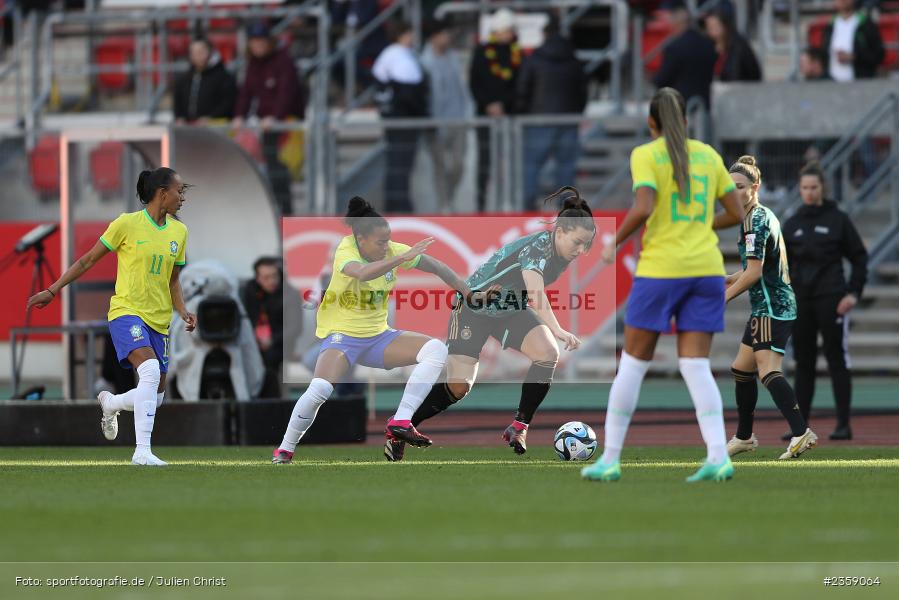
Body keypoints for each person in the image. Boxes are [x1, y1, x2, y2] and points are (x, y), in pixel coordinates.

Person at [580, 87, 743, 483]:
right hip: (706, 268)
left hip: (662, 270)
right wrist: (700, 225)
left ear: (651, 122)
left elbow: (644, 206)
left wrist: (615, 243)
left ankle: (610, 459)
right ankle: (718, 455)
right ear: (685, 121)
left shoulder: (647, 154)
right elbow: (737, 213)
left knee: (633, 364)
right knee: (696, 366)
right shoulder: (708, 154)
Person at [272, 197, 492, 464]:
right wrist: (400, 258)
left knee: (435, 350)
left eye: (388, 240)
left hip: (379, 338)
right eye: (380, 242)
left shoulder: (392, 251)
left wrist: (469, 294)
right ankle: (285, 450)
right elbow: (363, 273)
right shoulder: (346, 249)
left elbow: (437, 267)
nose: (386, 246)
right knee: (320, 390)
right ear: (361, 239)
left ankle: (400, 421)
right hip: (343, 338)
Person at [386, 187, 596, 462]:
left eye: (586, 245)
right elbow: (535, 292)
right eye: (578, 242)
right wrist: (557, 329)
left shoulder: (562, 254)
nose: (581, 250)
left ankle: (519, 426)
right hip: (473, 308)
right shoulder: (539, 247)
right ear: (560, 231)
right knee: (459, 387)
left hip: (509, 309)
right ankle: (400, 426)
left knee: (547, 354)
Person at [26, 168, 196, 466]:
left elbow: (173, 280)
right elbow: (87, 260)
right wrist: (52, 290)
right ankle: (142, 452)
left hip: (159, 321)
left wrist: (182, 310)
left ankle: (111, 403)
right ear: (162, 193)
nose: (182, 197)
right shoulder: (126, 224)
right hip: (126, 313)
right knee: (149, 371)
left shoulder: (179, 232)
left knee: (155, 398)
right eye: (179, 191)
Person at [717, 156, 818, 460]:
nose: (734, 193)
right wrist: (729, 278)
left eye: (740, 187)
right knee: (741, 368)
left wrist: (723, 298)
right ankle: (744, 437)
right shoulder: (758, 216)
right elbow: (759, 266)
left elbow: (754, 273)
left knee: (768, 370)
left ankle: (801, 432)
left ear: (756, 187)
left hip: (771, 307)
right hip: (769, 304)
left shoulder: (755, 221)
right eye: (730, 188)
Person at [782, 162, 868, 441]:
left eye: (814, 187)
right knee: (803, 362)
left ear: (823, 188)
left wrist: (853, 293)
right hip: (801, 301)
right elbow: (781, 265)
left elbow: (859, 258)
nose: (809, 192)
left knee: (836, 360)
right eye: (805, 187)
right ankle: (800, 428)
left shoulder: (838, 219)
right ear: (799, 189)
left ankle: (843, 425)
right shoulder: (792, 223)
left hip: (832, 299)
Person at [233, 20, 308, 215]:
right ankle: (271, 208)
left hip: (286, 122)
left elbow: (286, 93)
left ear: (269, 42)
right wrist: (239, 115)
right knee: (265, 164)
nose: (257, 46)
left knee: (278, 166)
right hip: (267, 122)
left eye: (261, 41)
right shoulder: (253, 63)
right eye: (254, 42)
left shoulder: (283, 61)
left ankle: (286, 211)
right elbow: (246, 92)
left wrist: (276, 117)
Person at [517, 17, 588, 210]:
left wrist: (524, 112)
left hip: (538, 120)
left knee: (532, 165)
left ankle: (528, 208)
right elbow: (582, 91)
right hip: (568, 120)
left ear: (544, 34)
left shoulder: (535, 58)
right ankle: (566, 208)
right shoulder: (573, 59)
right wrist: (576, 113)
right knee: (566, 166)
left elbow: (523, 88)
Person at [372, 20, 429, 213]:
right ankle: (399, 206)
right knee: (401, 164)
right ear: (401, 35)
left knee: (397, 164)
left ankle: (396, 204)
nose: (412, 38)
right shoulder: (399, 57)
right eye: (409, 34)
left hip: (394, 117)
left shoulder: (389, 55)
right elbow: (409, 92)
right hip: (403, 120)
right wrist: (423, 114)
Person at [469, 8, 522, 211]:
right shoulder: (482, 52)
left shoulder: (517, 54)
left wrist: (504, 105)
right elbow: (474, 83)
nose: (509, 34)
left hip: (510, 117)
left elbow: (519, 84)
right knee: (485, 160)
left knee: (511, 161)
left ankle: (512, 203)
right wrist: (489, 104)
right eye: (506, 30)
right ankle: (481, 203)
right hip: (485, 115)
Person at [420, 18, 470, 213]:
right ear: (434, 37)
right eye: (443, 34)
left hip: (458, 120)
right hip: (436, 122)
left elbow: (461, 88)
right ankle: (444, 206)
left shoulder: (453, 57)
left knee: (459, 164)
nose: (447, 37)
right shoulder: (424, 61)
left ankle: (449, 197)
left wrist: (468, 114)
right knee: (439, 167)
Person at [241, 256, 302, 398]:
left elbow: (295, 328)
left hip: (279, 344)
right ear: (258, 278)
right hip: (253, 341)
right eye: (266, 277)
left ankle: (272, 400)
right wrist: (255, 338)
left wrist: (272, 340)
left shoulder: (290, 294)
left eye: (275, 276)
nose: (272, 281)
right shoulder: (249, 290)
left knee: (270, 359)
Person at [653, 0, 718, 109]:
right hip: (705, 105)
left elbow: (661, 80)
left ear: (676, 22)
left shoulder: (675, 48)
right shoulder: (708, 44)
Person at [173, 37, 237, 123]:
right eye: (193, 53)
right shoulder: (185, 78)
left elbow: (228, 103)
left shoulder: (223, 77)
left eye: (200, 52)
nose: (197, 56)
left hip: (216, 125)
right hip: (189, 126)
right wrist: (180, 117)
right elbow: (177, 102)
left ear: (210, 52)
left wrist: (211, 118)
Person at [818, 0, 884, 82]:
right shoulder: (830, 26)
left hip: (861, 82)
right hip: (833, 84)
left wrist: (854, 57)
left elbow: (878, 54)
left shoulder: (866, 24)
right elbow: (823, 54)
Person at [703, 6, 762, 82]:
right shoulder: (709, 45)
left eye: (714, 26)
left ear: (725, 26)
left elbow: (736, 74)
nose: (710, 30)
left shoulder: (738, 47)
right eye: (708, 27)